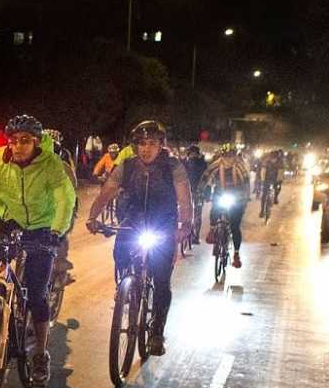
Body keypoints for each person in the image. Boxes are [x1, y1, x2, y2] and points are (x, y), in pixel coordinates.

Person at [0, 114, 76, 387]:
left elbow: (65, 199)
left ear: (36, 142)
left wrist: (56, 231)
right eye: (13, 141)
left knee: (36, 293)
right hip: (9, 221)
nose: (18, 146)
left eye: (25, 141)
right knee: (1, 270)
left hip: (43, 227)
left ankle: (40, 354)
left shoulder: (51, 165)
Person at [86, 121, 193, 356]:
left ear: (161, 145)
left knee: (162, 279)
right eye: (141, 144)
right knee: (119, 251)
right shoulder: (126, 166)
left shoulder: (173, 166)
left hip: (162, 225)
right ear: (135, 146)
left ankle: (156, 332)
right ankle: (124, 284)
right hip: (133, 220)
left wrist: (185, 224)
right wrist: (92, 217)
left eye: (152, 143)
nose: (146, 149)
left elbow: (184, 198)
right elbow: (107, 192)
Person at [199, 144, 251, 268]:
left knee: (235, 226)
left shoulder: (240, 166)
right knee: (215, 211)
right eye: (225, 156)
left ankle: (236, 254)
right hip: (220, 193)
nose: (228, 158)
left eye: (230, 156)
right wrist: (200, 192)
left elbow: (246, 182)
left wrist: (246, 196)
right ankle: (212, 230)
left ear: (234, 156)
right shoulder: (216, 165)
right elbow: (205, 178)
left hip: (236, 196)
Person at [44, 128, 79, 285]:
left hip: (60, 206)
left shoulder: (63, 165)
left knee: (59, 235)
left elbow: (71, 187)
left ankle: (60, 270)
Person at [183, 145, 208, 244]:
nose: (193, 155)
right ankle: (188, 232)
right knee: (186, 213)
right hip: (186, 192)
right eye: (191, 153)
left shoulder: (202, 164)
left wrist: (206, 191)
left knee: (198, 214)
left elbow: (206, 179)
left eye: (194, 153)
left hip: (199, 192)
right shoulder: (183, 163)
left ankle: (196, 235)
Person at [259, 150, 284, 217]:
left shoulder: (280, 162)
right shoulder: (266, 162)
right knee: (264, 195)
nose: (273, 159)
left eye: (274, 157)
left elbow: (281, 173)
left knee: (278, 188)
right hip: (267, 180)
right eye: (272, 157)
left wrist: (279, 181)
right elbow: (263, 171)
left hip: (275, 181)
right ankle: (262, 210)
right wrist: (262, 180)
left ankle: (275, 197)